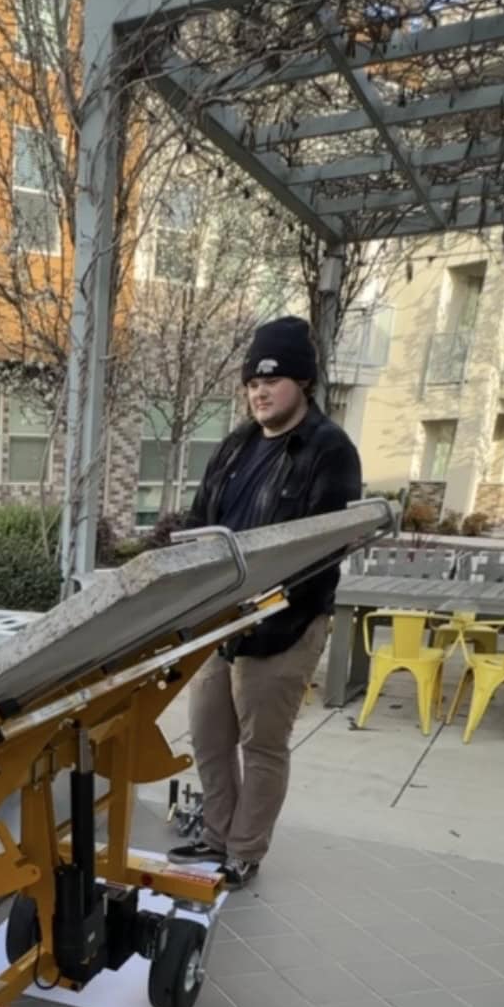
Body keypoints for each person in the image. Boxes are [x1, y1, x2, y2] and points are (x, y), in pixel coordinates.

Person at [169, 315, 362, 889]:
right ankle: (216, 835)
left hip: (285, 625)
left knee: (262, 744)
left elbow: (322, 552)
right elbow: (203, 525)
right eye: (252, 381)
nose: (259, 391)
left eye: (272, 380)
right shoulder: (236, 445)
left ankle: (245, 850)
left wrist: (271, 620)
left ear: (302, 383)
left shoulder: (329, 449)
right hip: (222, 621)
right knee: (208, 733)